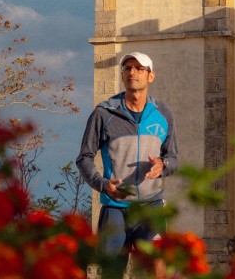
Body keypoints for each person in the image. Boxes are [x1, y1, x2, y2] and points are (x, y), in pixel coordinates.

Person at [76, 51, 178, 269]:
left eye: (139, 69)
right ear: (122, 75)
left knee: (156, 269)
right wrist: (102, 185)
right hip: (115, 208)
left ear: (151, 76)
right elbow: (84, 158)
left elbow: (173, 157)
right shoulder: (104, 113)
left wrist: (163, 165)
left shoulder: (163, 113)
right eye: (127, 68)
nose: (133, 72)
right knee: (111, 271)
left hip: (151, 206)